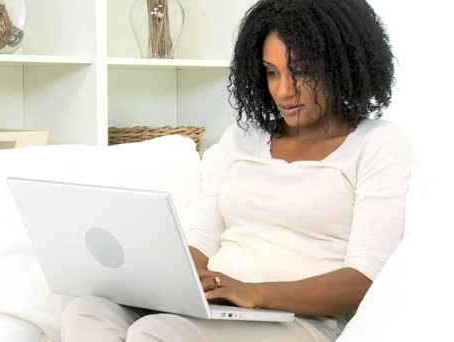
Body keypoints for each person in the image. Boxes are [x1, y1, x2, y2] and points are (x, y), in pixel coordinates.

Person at [61, 0, 412, 341]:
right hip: (220, 307)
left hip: (299, 321)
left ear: (342, 65)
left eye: (301, 71)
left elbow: (365, 278)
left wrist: (254, 293)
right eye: (272, 72)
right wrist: (167, 283)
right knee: (86, 310)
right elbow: (201, 240)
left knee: (156, 333)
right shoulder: (241, 140)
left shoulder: (377, 144)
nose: (283, 90)